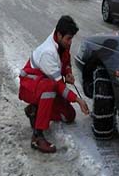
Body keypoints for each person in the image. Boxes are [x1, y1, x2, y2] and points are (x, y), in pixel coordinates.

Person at [18, 15, 89, 153]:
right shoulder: (48, 53)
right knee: (50, 88)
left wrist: (67, 72)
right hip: (30, 86)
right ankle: (38, 136)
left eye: (71, 39)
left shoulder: (62, 42)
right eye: (68, 39)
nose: (70, 42)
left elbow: (66, 60)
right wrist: (78, 100)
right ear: (59, 34)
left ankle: (34, 111)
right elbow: (58, 86)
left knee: (69, 115)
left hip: (44, 83)